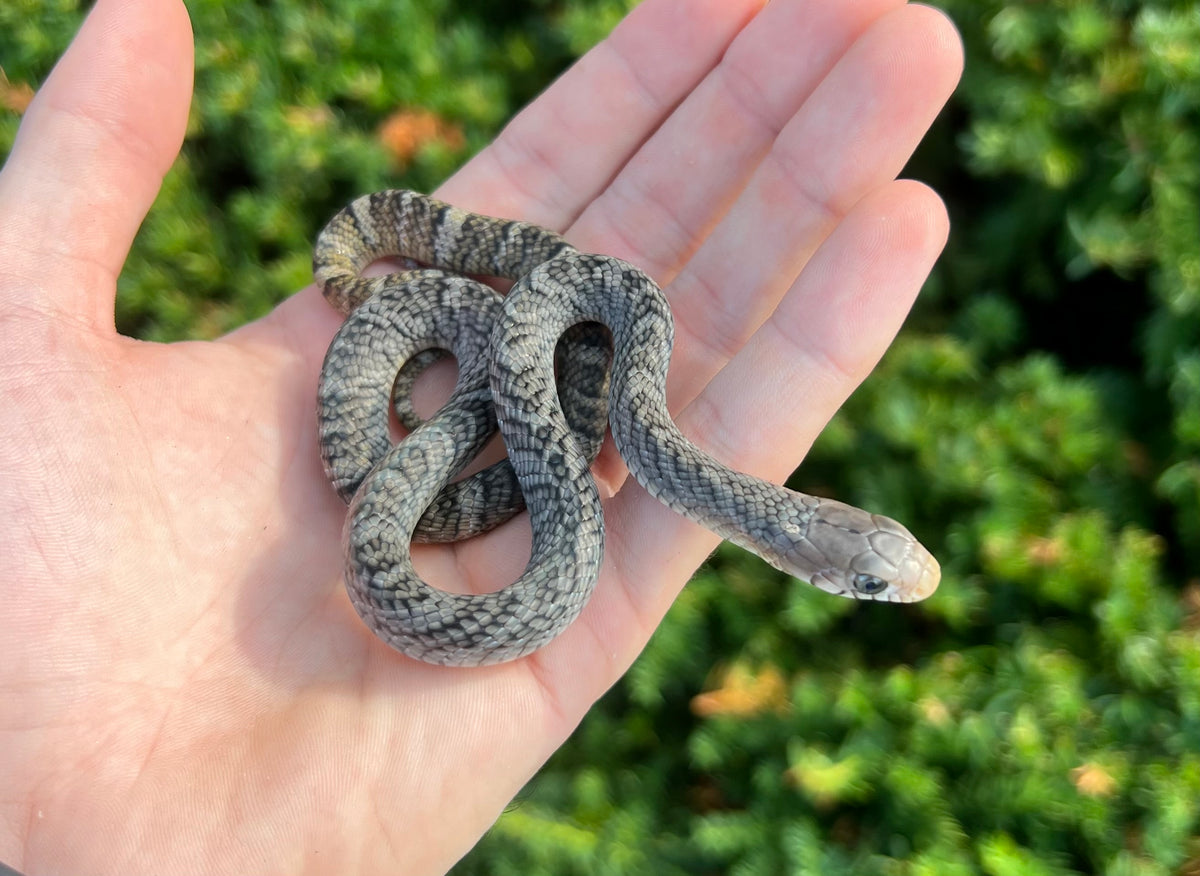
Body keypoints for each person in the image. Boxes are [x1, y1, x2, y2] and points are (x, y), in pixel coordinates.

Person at [0, 0, 962, 873]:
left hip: (502, 380)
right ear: (816, 546)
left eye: (869, 573)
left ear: (813, 536)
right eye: (867, 577)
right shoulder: (609, 364)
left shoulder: (630, 354)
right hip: (464, 365)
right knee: (517, 406)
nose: (874, 581)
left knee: (539, 422)